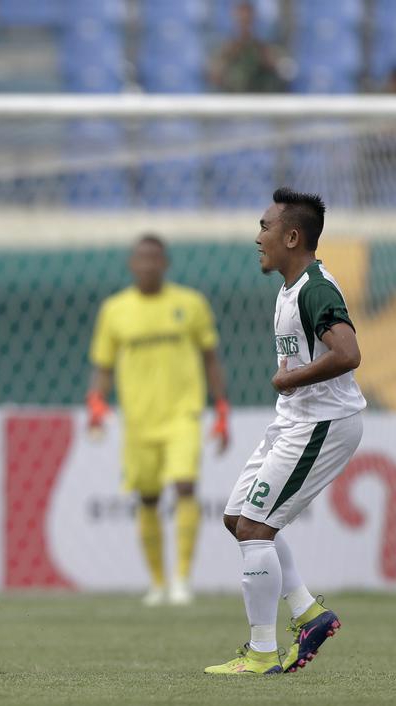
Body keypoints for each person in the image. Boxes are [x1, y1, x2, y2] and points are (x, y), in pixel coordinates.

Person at [204, 188, 365, 675]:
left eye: (265, 227)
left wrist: (289, 378)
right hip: (295, 419)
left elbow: (348, 353)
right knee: (238, 518)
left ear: (292, 236)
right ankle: (309, 614)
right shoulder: (291, 287)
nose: (258, 238)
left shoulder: (316, 287)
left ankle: (261, 654)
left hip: (322, 422)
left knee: (256, 528)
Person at [87, 235, 231, 606]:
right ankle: (157, 582)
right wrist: (96, 404)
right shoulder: (115, 310)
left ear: (165, 263)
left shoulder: (191, 303)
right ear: (132, 264)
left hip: (183, 413)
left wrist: (222, 409)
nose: (148, 265)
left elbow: (210, 357)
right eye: (141, 258)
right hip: (137, 419)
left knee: (185, 486)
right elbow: (103, 365)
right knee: (147, 497)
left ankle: (182, 580)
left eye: (155, 258)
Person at [209, 2, 286, 93]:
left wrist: (267, 57)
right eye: (241, 20)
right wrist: (228, 54)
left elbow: (284, 70)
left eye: (247, 20)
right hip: (231, 100)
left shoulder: (265, 46)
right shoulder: (224, 47)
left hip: (260, 99)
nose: (244, 24)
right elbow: (213, 77)